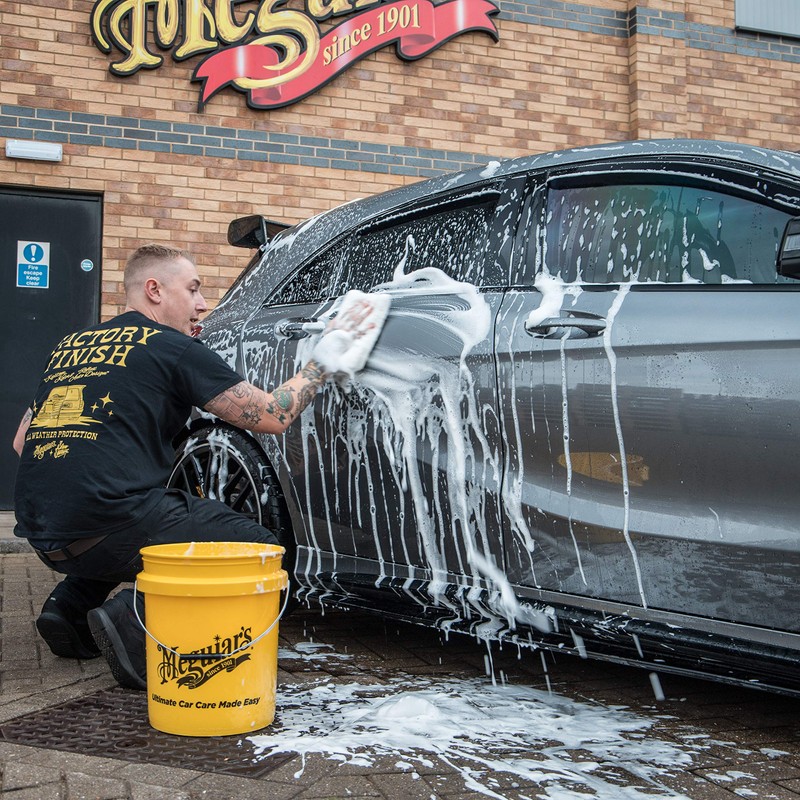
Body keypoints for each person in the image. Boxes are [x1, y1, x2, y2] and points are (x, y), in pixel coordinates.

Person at [12, 243, 375, 690]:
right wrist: (325, 361)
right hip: (110, 525)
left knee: (143, 515)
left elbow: (20, 442)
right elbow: (270, 416)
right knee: (259, 548)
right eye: (194, 288)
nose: (203, 304)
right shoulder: (171, 347)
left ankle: (67, 609)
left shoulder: (71, 346)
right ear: (154, 290)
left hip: (44, 531)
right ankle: (134, 622)